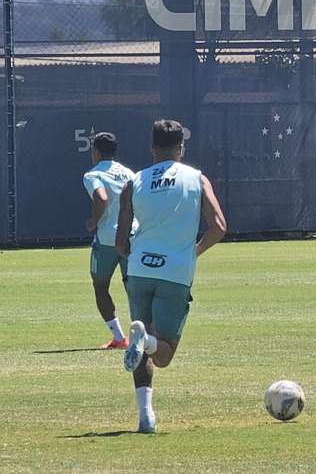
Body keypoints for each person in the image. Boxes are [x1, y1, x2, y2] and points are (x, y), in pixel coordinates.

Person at [116, 119, 227, 433]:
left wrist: (135, 256)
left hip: (139, 271)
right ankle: (146, 340)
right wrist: (194, 251)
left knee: (142, 346)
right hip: (175, 272)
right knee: (161, 353)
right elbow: (219, 227)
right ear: (181, 147)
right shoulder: (197, 178)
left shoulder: (134, 182)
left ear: (152, 147)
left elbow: (120, 243)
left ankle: (145, 416)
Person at [83, 132, 137, 350]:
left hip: (106, 239)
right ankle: (142, 336)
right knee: (133, 288)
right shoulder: (129, 173)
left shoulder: (92, 174)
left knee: (100, 285)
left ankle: (119, 337)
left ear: (95, 151)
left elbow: (101, 197)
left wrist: (94, 221)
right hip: (132, 235)